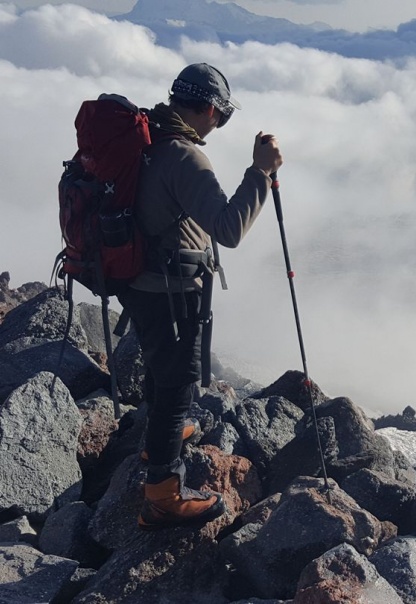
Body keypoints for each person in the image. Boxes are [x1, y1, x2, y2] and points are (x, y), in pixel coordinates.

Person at [118, 63, 283, 530]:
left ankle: (158, 439)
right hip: (169, 289)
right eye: (222, 117)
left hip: (136, 281)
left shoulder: (145, 137)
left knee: (159, 363)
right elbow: (228, 229)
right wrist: (260, 173)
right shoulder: (184, 156)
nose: (219, 125)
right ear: (209, 109)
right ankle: (162, 496)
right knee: (175, 384)